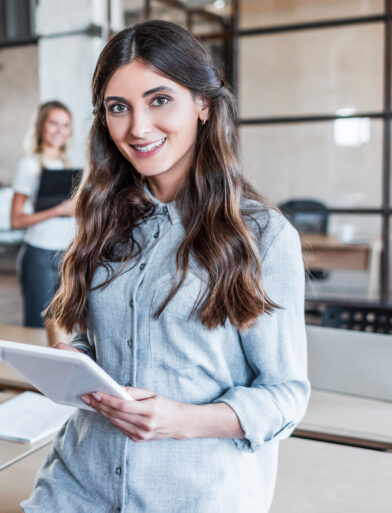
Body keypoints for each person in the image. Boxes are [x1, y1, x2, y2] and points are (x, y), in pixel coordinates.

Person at [22, 21, 310, 512]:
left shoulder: (262, 235)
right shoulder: (106, 220)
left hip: (194, 495)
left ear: (202, 104)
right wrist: (75, 363)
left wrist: (183, 419)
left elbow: (286, 397)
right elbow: (104, 342)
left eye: (159, 100)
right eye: (119, 108)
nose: (137, 127)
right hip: (76, 488)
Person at [10, 101, 76, 330]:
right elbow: (16, 220)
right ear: (41, 126)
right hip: (39, 254)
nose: (60, 130)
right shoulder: (29, 165)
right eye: (54, 123)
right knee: (38, 326)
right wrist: (58, 210)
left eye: (65, 125)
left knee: (60, 325)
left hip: (64, 254)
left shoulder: (64, 164)